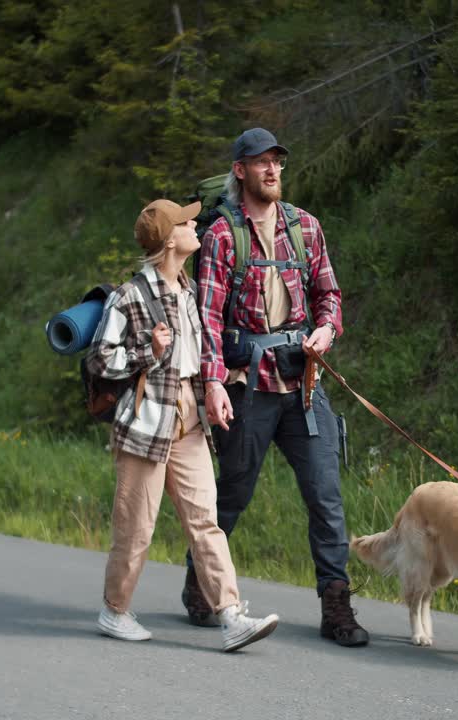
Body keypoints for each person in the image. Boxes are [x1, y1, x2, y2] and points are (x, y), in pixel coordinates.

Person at [182, 128, 369, 647]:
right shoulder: (221, 235)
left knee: (326, 497)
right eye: (261, 163)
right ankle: (201, 582)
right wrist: (213, 384)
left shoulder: (306, 227)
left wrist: (326, 330)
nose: (272, 171)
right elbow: (208, 320)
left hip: (304, 386)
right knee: (234, 492)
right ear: (239, 170)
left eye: (278, 163)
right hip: (248, 385)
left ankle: (337, 608)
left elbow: (328, 294)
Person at [86, 197, 279, 653]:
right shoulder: (130, 296)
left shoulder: (188, 292)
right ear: (170, 238)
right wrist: (146, 352)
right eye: (188, 222)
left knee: (205, 522)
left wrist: (218, 388)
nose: (197, 225)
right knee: (136, 529)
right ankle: (115, 611)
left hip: (189, 425)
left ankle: (231, 616)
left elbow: (191, 361)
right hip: (145, 427)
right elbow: (99, 358)